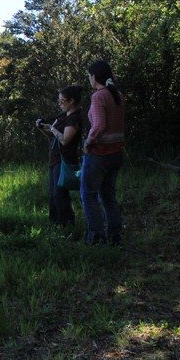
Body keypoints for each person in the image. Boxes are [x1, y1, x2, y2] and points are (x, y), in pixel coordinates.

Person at [81, 60, 126, 245]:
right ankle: (115, 236)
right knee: (108, 197)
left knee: (88, 195)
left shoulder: (99, 96)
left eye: (89, 75)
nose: (88, 79)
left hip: (100, 153)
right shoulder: (118, 95)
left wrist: (88, 142)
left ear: (94, 76)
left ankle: (96, 237)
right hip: (117, 153)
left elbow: (99, 125)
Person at [36, 85, 83, 226]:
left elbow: (65, 139)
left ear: (72, 101)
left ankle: (67, 223)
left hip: (64, 159)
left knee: (59, 194)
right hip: (55, 158)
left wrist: (51, 128)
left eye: (62, 101)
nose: (60, 104)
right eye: (59, 101)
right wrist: (43, 128)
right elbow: (53, 137)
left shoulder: (74, 118)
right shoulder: (64, 116)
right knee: (53, 194)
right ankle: (55, 223)